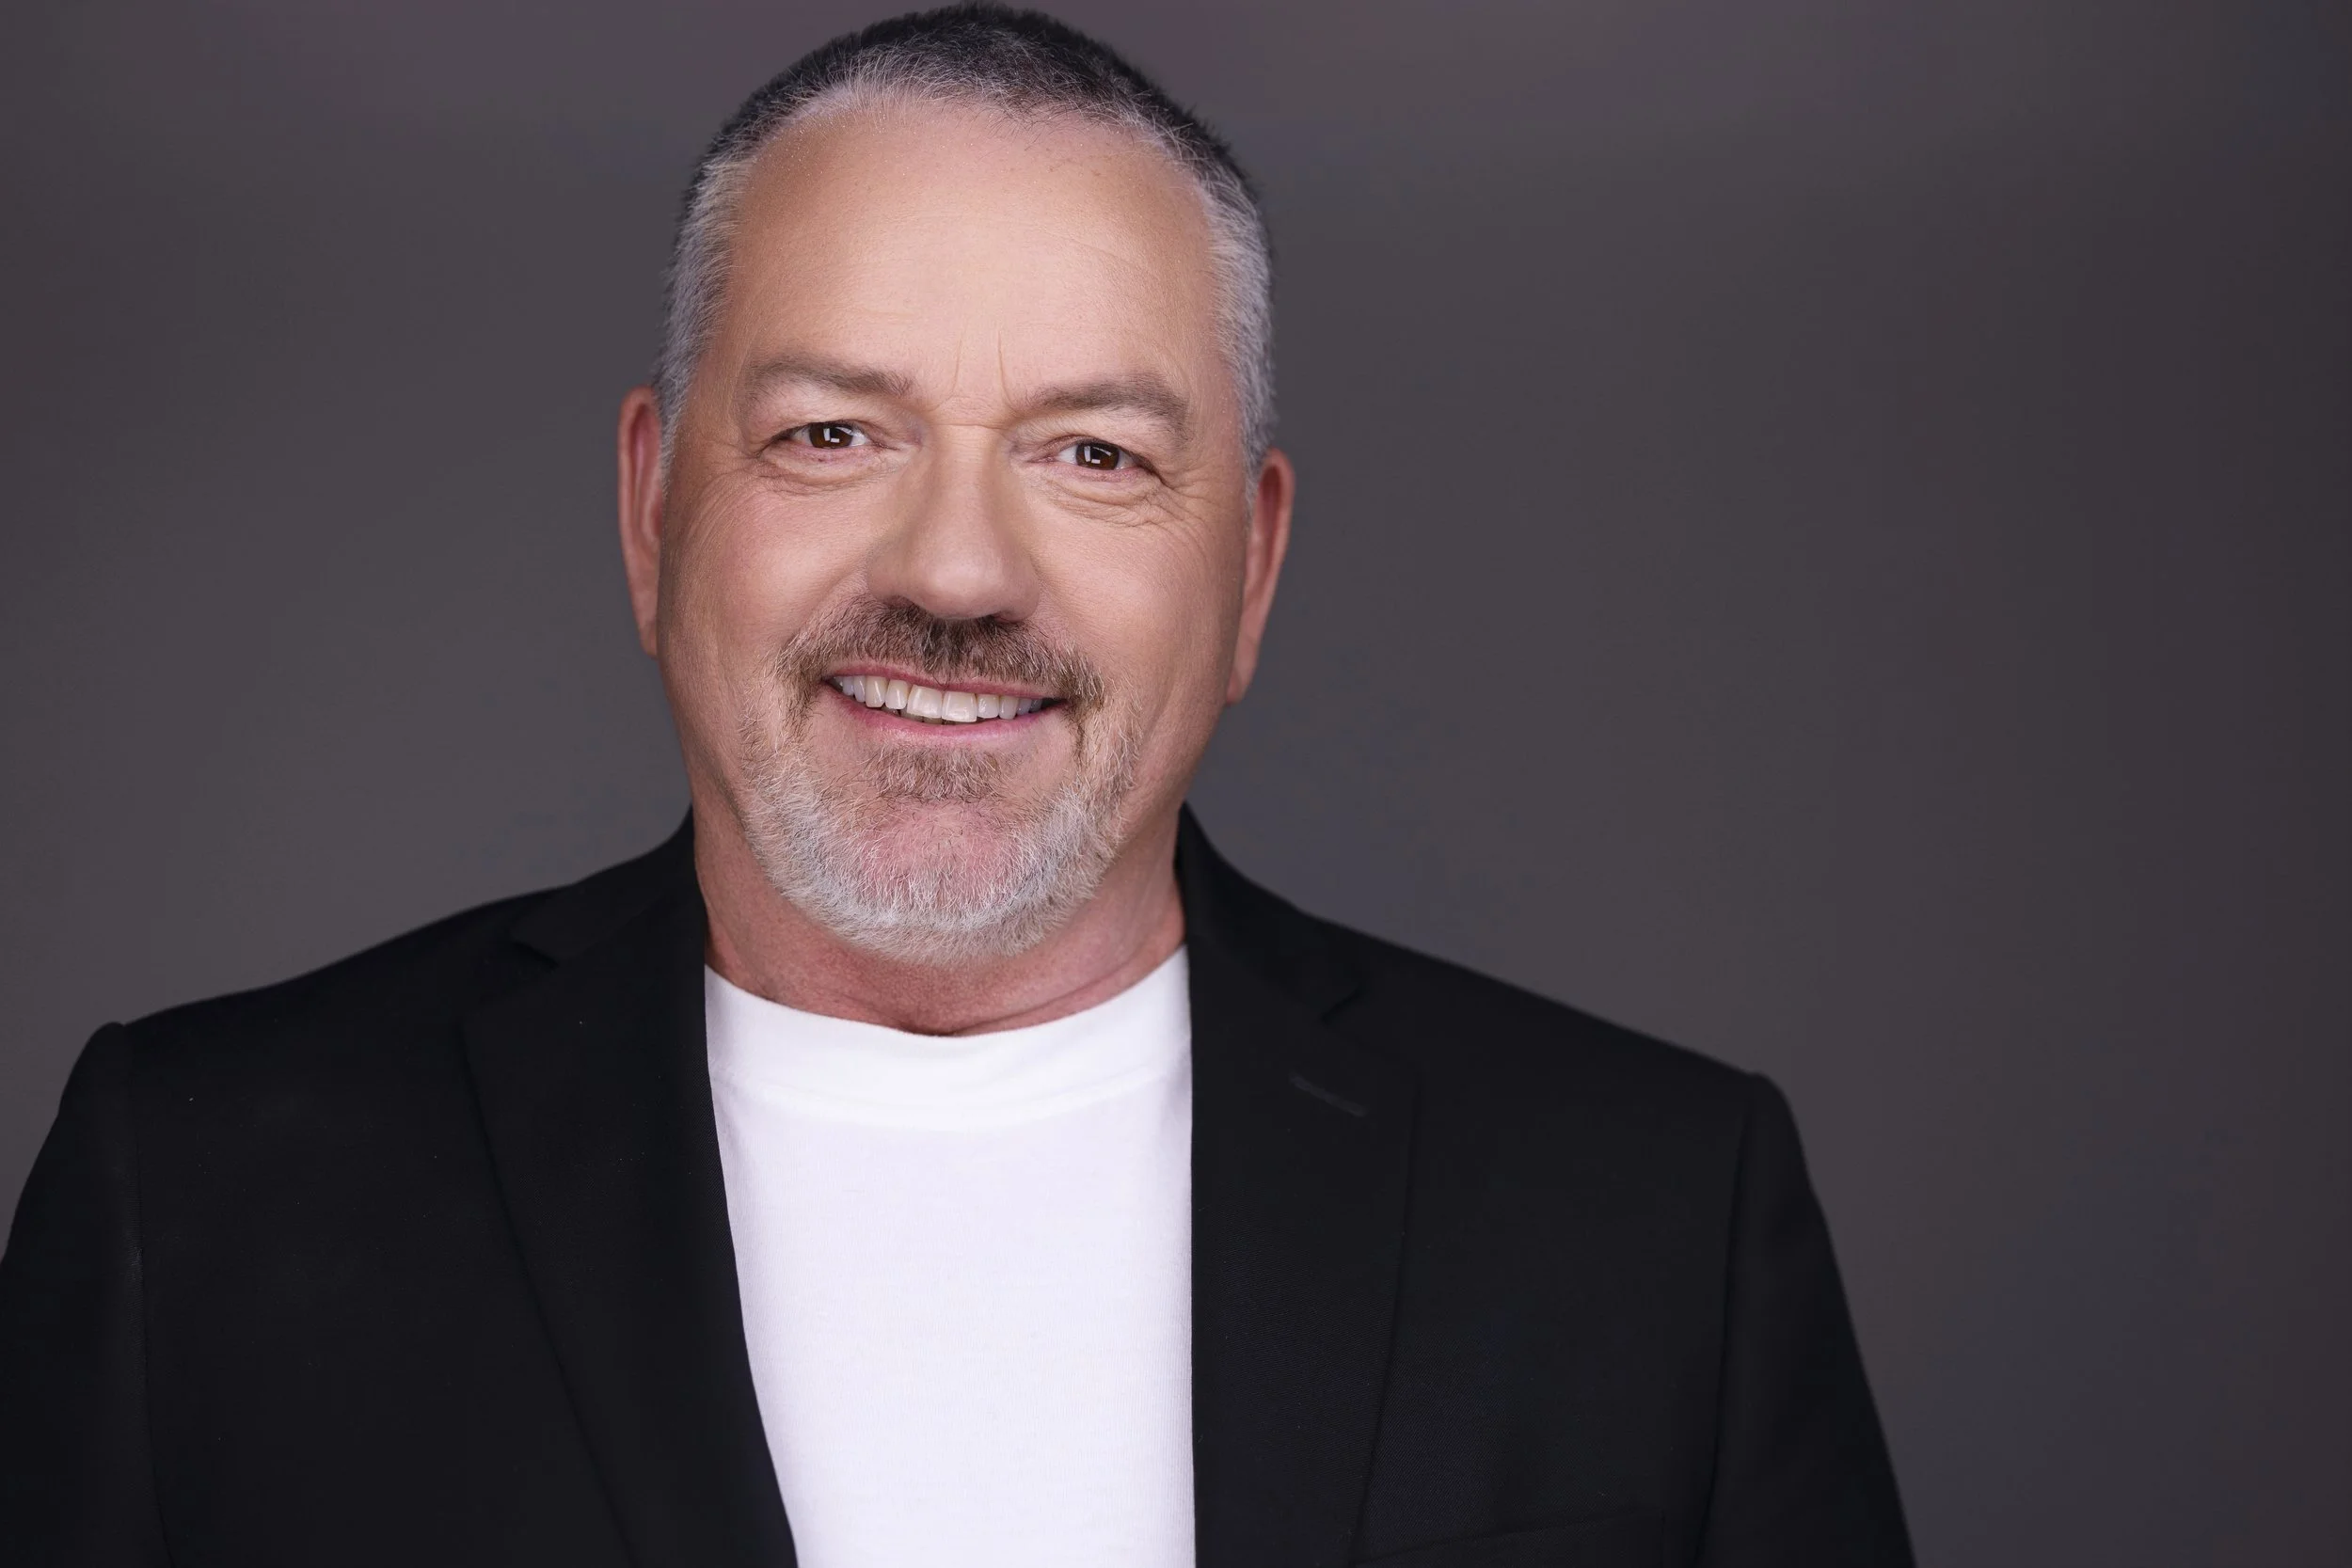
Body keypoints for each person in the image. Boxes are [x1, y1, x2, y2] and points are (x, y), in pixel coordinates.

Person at [0, 8, 1912, 1565]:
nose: (957, 571)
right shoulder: (198, 1185)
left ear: (1246, 565)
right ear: (651, 506)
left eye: (1088, 454)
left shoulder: (1654, 1217)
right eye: (833, 431)